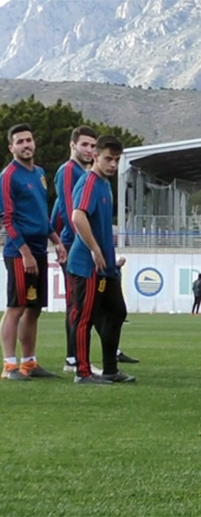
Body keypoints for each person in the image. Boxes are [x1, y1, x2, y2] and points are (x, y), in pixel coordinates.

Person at [0, 123, 67, 380]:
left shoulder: (39, 173)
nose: (26, 145)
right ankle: (9, 366)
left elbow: (41, 214)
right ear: (11, 147)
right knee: (16, 307)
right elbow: (7, 218)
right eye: (20, 141)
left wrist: (56, 240)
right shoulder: (8, 176)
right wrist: (25, 252)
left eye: (29, 140)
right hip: (20, 253)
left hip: (40, 250)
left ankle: (29, 363)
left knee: (34, 308)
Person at [67, 136, 134, 384]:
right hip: (86, 265)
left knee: (117, 312)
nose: (113, 164)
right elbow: (77, 217)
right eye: (108, 159)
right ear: (95, 155)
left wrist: (109, 257)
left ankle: (110, 369)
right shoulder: (89, 183)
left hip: (105, 266)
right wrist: (95, 250)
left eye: (117, 160)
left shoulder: (105, 184)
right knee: (85, 318)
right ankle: (82, 372)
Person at [49, 126, 105, 375]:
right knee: (78, 304)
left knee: (79, 303)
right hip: (76, 245)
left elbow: (57, 209)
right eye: (85, 145)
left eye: (93, 146)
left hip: (73, 242)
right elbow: (71, 210)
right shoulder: (69, 170)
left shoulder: (79, 172)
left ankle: (77, 356)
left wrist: (54, 235)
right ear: (72, 145)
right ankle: (73, 358)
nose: (90, 150)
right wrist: (65, 242)